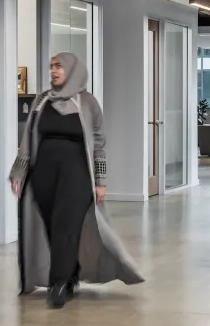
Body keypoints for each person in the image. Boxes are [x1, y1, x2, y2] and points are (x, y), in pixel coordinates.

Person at [10, 52, 143, 309]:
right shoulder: (41, 100)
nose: (54, 71)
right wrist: (19, 171)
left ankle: (57, 284)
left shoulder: (87, 103)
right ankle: (69, 275)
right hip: (43, 175)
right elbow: (27, 139)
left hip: (77, 175)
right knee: (50, 226)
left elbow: (99, 144)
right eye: (51, 67)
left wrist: (101, 179)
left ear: (72, 69)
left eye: (59, 66)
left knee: (66, 226)